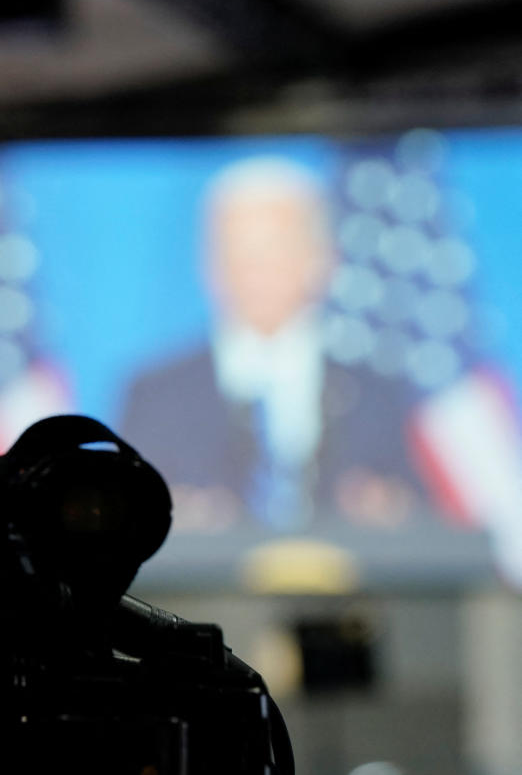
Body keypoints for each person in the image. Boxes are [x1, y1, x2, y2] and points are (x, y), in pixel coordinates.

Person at [118, 157, 422, 532]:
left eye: (272, 248)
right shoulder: (155, 395)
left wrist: (390, 510)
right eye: (236, 250)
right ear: (208, 264)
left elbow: (421, 527)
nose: (252, 269)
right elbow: (118, 533)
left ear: (323, 260)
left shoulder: (377, 395)